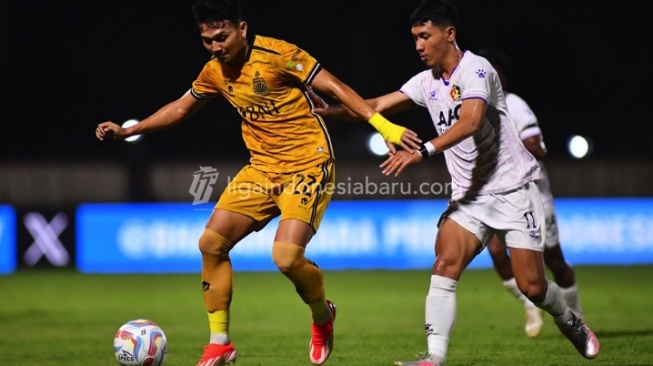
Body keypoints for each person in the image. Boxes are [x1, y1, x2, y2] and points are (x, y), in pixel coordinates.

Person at [95, 1, 422, 365]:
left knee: (285, 257)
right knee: (211, 243)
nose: (216, 47)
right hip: (262, 170)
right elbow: (181, 107)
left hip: (308, 165)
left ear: (243, 28)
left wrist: (385, 126)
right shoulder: (213, 72)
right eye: (207, 41)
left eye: (222, 37)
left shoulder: (280, 54)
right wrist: (130, 130)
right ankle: (220, 343)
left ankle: (321, 315)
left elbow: (336, 87)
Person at [308, 0, 599, 365]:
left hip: (512, 190)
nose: (418, 45)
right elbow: (375, 105)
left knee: (533, 287)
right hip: (469, 197)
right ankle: (435, 357)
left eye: (424, 36)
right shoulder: (425, 82)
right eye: (414, 37)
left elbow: (470, 122)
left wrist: (423, 151)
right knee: (445, 264)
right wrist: (329, 110)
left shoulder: (476, 70)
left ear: (449, 34)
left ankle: (568, 318)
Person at [476, 47, 585, 339]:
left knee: (554, 261)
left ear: (503, 79)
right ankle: (529, 305)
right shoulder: (469, 106)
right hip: (493, 196)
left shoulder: (514, 105)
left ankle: (577, 318)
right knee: (497, 253)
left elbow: (538, 146)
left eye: (492, 72)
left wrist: (508, 149)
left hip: (531, 195)